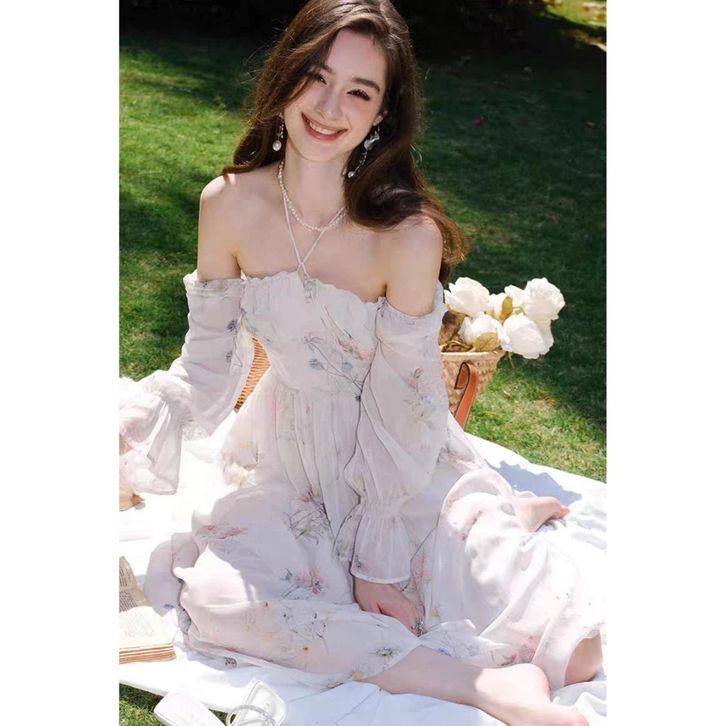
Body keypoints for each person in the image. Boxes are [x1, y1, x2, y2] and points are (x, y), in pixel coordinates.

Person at [119, 1, 604, 724]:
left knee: (575, 649)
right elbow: (207, 370)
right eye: (316, 77)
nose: (328, 108)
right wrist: (128, 431)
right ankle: (478, 686)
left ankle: (495, 515)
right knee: (218, 602)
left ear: (382, 113)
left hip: (403, 463)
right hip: (291, 465)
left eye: (359, 91)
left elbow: (405, 404)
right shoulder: (227, 205)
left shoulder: (407, 236)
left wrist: (379, 560)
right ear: (284, 77)